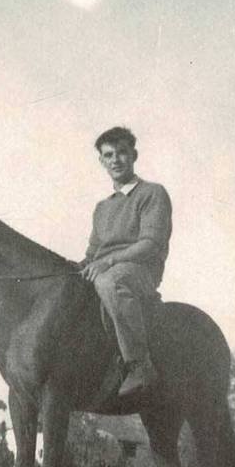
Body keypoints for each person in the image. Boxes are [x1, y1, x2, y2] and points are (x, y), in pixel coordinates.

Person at [80, 126, 173, 397]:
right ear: (101, 161)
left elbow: (150, 244)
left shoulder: (152, 193)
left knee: (110, 282)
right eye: (108, 155)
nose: (115, 160)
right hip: (107, 270)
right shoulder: (102, 207)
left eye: (122, 152)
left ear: (134, 155)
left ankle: (139, 365)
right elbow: (92, 254)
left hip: (140, 271)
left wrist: (107, 264)